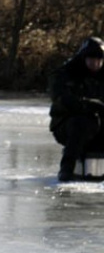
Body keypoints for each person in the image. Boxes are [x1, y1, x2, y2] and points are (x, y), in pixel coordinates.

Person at [49, 36, 104, 181]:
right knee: (82, 121)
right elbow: (61, 98)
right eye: (92, 59)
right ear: (83, 57)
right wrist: (87, 104)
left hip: (98, 126)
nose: (96, 63)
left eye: (99, 60)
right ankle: (67, 168)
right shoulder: (66, 73)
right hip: (66, 126)